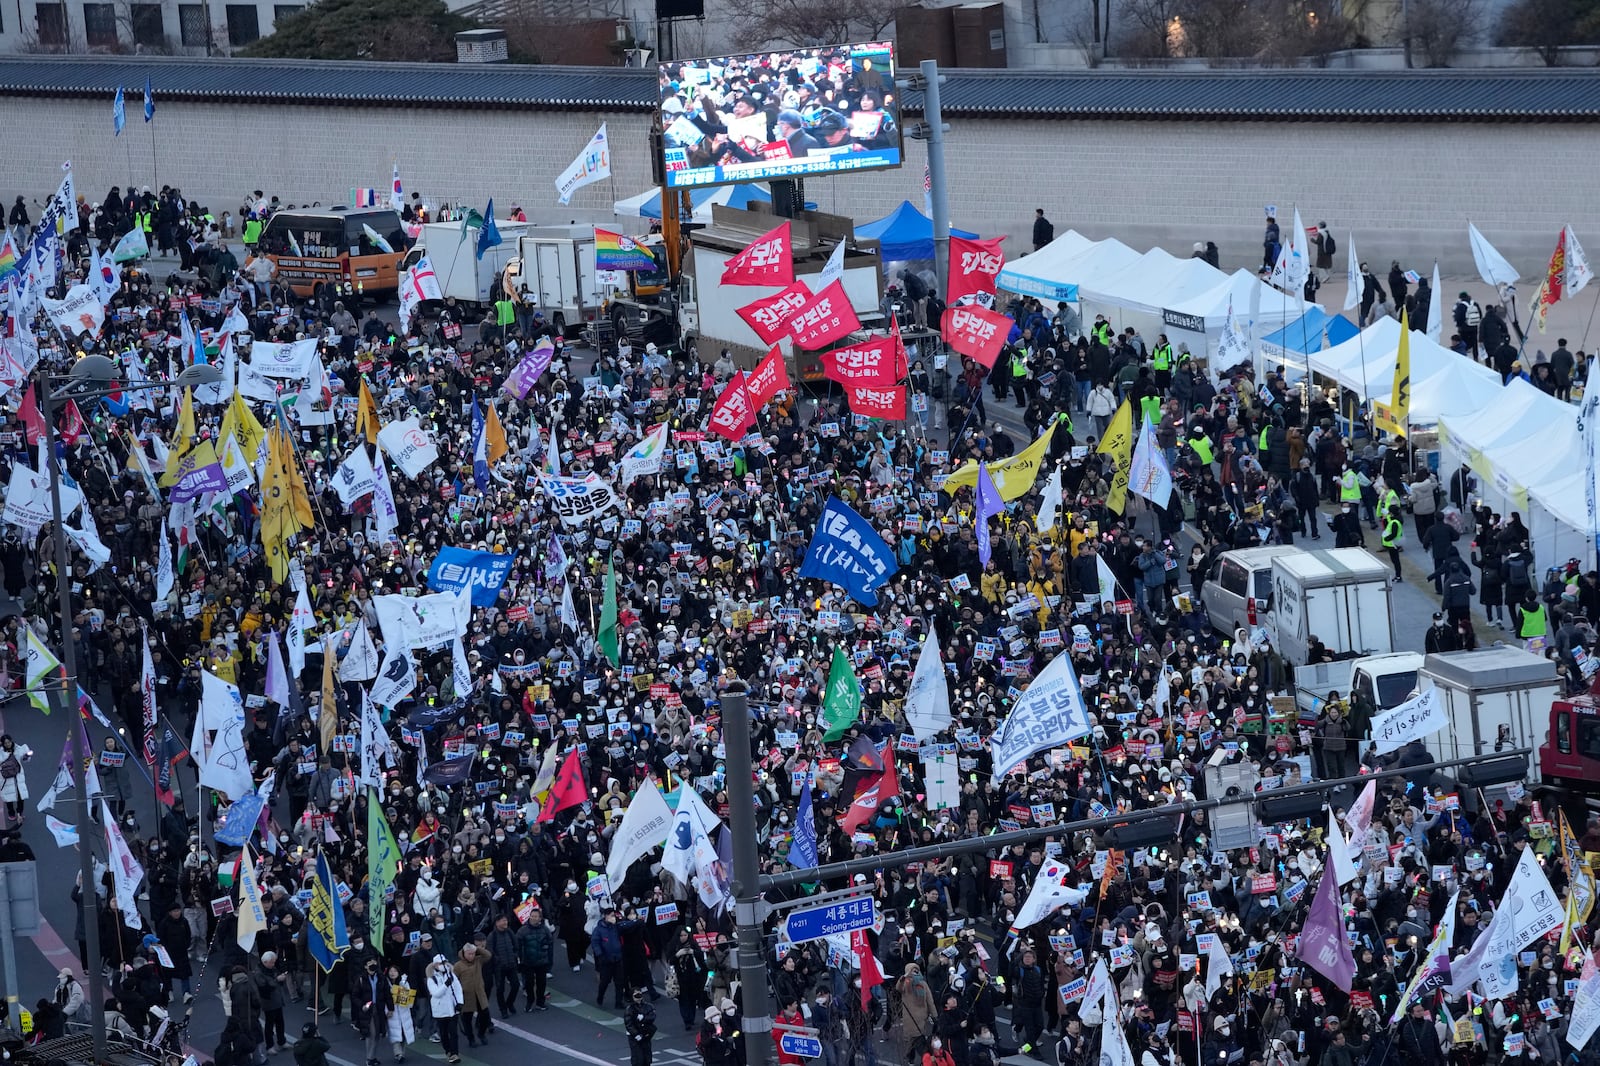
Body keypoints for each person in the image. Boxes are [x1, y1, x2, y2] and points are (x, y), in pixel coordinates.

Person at [426, 955, 464, 1065]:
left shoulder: (451, 974)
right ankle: (448, 1051)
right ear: (435, 965)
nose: (443, 965)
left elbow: (458, 989)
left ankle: (454, 1053)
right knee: (443, 1033)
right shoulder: (431, 978)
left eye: (444, 963)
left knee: (453, 1032)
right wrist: (446, 984)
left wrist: (460, 1002)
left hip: (452, 1008)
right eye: (440, 963)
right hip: (440, 1010)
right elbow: (436, 993)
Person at [624, 986, 656, 1066]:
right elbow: (629, 1024)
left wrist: (644, 1018)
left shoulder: (648, 1006)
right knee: (638, 1058)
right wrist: (636, 1035)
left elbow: (652, 1016)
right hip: (634, 1037)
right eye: (636, 996)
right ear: (632, 997)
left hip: (646, 1034)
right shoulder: (629, 1009)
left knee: (647, 1056)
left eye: (640, 995)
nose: (638, 998)